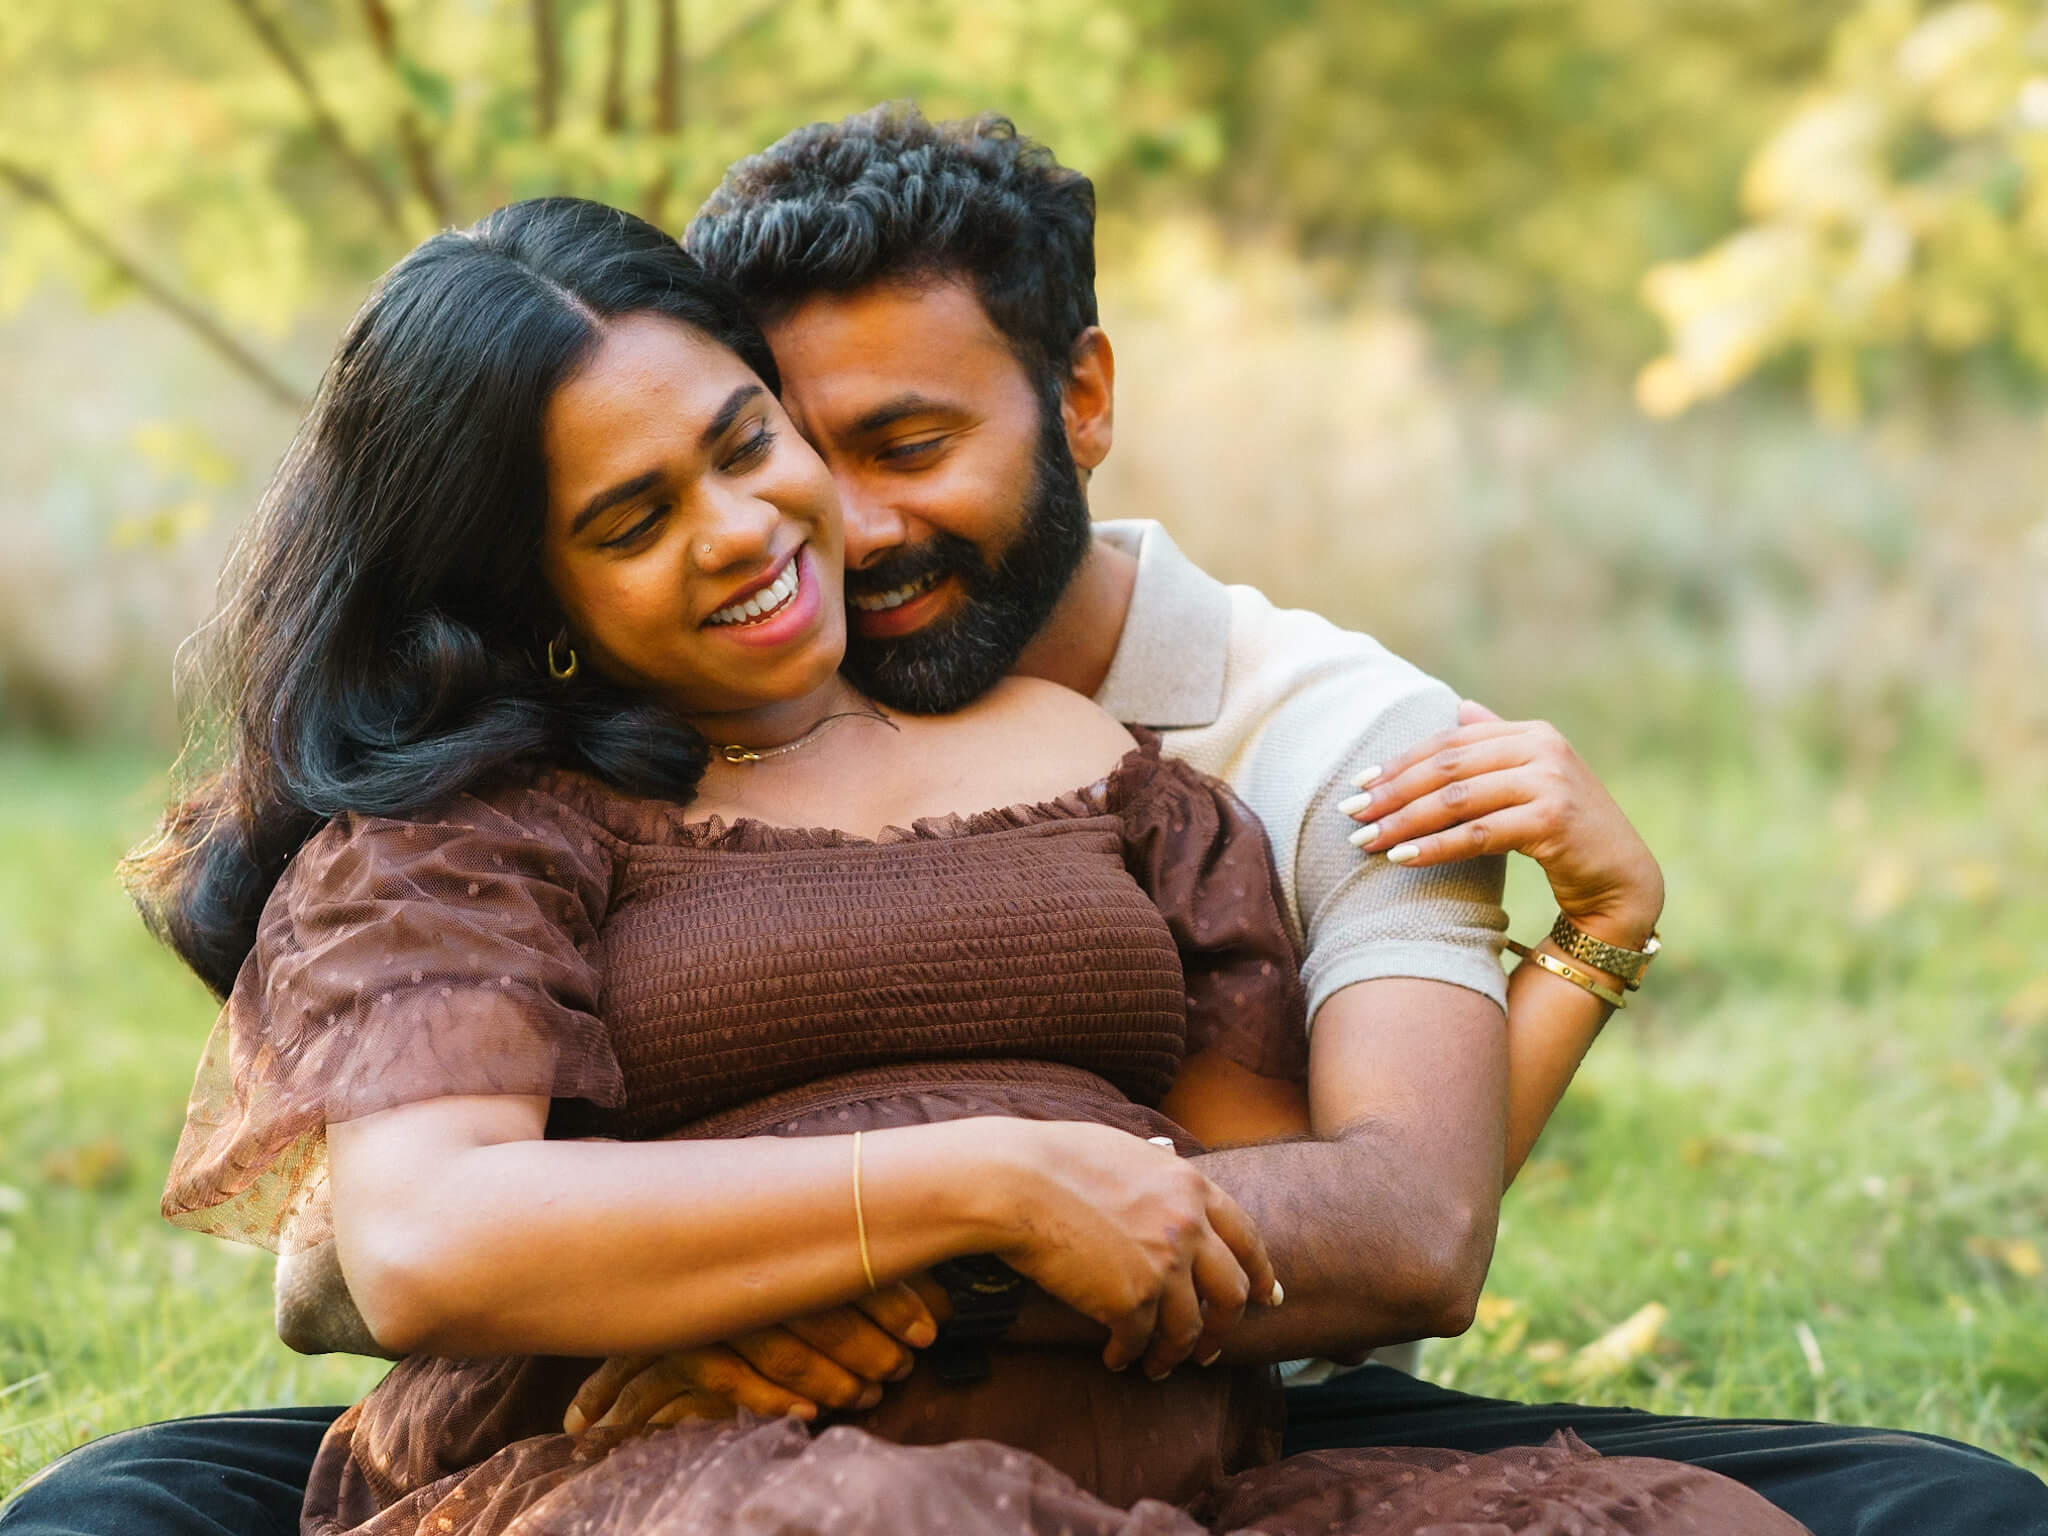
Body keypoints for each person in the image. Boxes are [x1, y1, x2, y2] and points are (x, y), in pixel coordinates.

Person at [3, 108, 2039, 1535]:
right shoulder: (507, 815)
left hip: (1156, 1412)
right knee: (106, 1516)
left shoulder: (1284, 749)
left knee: (1930, 1513)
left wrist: (964, 1231)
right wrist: (875, 1227)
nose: (812, 527)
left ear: (1080, 400)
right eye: (659, 502)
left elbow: (1393, 1229)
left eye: (810, 451)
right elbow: (389, 1251)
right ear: (536, 583)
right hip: (637, 1446)